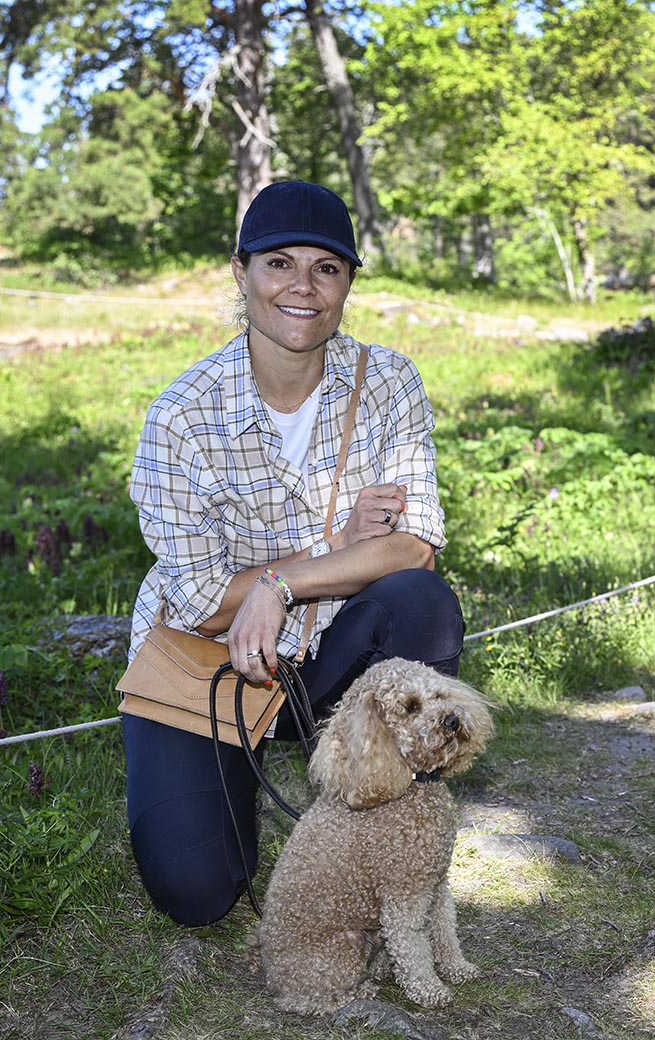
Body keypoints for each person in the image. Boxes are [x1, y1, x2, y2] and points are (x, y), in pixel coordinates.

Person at [122, 180, 465, 925]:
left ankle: (387, 833)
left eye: (327, 268)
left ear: (347, 284)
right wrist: (333, 550)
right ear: (239, 271)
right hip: (208, 667)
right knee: (201, 893)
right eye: (279, 263)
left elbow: (413, 550)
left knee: (422, 605)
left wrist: (281, 581)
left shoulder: (388, 383)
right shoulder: (181, 419)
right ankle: (229, 785)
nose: (302, 287)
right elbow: (204, 604)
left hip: (330, 660)